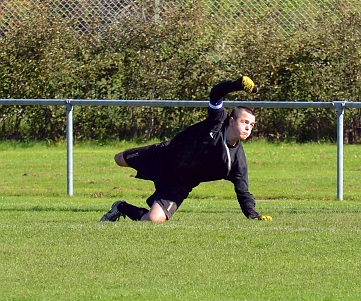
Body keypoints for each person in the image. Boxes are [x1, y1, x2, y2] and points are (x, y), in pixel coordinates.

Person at [100, 76, 272, 223]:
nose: (248, 127)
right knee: (119, 159)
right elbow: (216, 93)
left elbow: (243, 192)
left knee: (153, 220)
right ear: (232, 121)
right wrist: (236, 84)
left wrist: (254, 216)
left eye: (251, 124)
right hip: (163, 156)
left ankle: (120, 207)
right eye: (244, 122)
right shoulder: (218, 120)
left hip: (179, 184)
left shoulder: (235, 162)